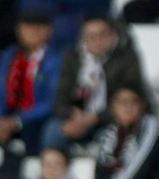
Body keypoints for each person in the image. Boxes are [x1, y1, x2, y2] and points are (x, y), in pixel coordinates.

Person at [42, 16, 144, 152]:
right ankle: (53, 172)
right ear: (83, 38)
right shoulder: (73, 58)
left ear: (113, 35)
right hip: (78, 118)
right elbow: (60, 97)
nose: (97, 41)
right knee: (53, 130)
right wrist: (73, 115)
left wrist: (96, 117)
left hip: (110, 119)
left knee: (112, 136)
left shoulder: (126, 58)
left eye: (102, 35)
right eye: (91, 36)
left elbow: (133, 99)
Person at [0, 11, 63, 156]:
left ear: (49, 30)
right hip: (8, 114)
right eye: (27, 28)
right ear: (18, 30)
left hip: (36, 117)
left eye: (38, 28)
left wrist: (18, 120)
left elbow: (53, 100)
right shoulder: (9, 55)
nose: (32, 33)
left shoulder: (57, 59)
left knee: (34, 130)